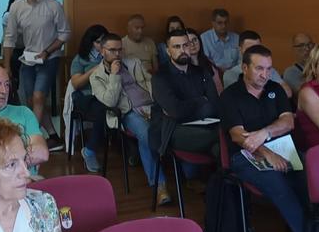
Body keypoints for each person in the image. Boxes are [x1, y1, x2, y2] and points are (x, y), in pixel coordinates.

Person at [221, 44, 319, 232]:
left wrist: (264, 133)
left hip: (281, 148)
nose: (265, 75)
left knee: (312, 180)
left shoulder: (276, 90)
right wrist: (267, 152)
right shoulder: (230, 96)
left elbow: (288, 123)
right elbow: (237, 135)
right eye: (259, 69)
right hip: (244, 155)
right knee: (279, 185)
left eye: (269, 69)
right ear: (244, 68)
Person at [89, 34, 170, 205]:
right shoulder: (97, 76)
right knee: (147, 136)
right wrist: (114, 75)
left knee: (174, 129)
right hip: (128, 113)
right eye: (112, 50)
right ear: (103, 51)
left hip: (153, 106)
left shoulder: (133, 63)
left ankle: (187, 174)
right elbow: (110, 101)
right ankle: (160, 186)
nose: (117, 54)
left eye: (120, 49)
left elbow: (151, 82)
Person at [2, 0, 70, 150]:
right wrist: (6, 66)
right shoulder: (16, 7)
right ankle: (54, 136)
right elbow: (9, 38)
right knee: (31, 101)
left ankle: (30, 142)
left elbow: (65, 34)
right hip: (28, 59)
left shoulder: (53, 6)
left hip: (49, 58)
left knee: (39, 97)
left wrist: (47, 51)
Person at [150, 30, 221, 163]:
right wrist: (201, 101)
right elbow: (175, 111)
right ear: (168, 51)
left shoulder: (201, 72)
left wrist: (190, 106)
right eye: (177, 47)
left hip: (204, 125)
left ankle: (216, 182)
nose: (182, 50)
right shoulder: (160, 77)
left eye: (186, 45)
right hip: (172, 129)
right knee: (222, 136)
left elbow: (214, 104)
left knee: (219, 149)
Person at [68, 24, 108, 174]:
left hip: (105, 94)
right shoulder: (80, 59)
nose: (101, 45)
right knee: (102, 109)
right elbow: (76, 83)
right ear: (91, 43)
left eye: (104, 41)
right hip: (85, 96)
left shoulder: (109, 56)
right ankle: (89, 150)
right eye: (98, 42)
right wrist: (93, 70)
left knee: (119, 107)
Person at [222, 31, 289, 93]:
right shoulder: (230, 74)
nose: (255, 53)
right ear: (240, 49)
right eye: (249, 49)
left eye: (257, 48)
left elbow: (287, 92)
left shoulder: (269, 69)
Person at [200, 8, 240, 76]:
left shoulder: (236, 38)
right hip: (214, 75)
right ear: (213, 23)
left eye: (226, 22)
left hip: (234, 74)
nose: (223, 26)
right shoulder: (204, 38)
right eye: (220, 23)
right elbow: (205, 62)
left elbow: (240, 60)